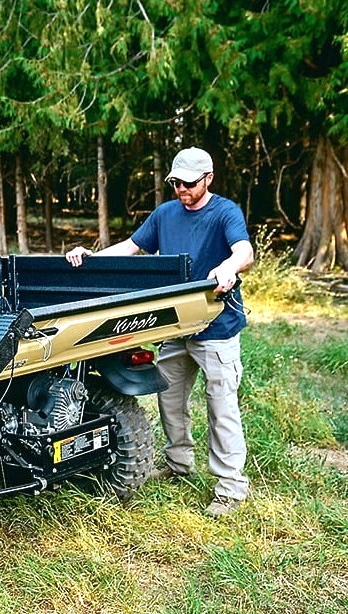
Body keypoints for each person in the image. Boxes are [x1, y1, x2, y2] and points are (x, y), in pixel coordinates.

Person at [65, 147, 254, 518]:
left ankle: (231, 487)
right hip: (174, 325)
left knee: (222, 408)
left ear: (208, 179)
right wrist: (91, 257)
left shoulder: (225, 212)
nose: (181, 189)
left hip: (217, 329)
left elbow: (244, 250)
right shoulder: (166, 214)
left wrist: (228, 268)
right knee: (169, 401)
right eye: (176, 183)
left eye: (189, 183)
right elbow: (131, 247)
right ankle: (179, 463)